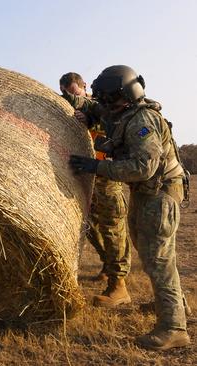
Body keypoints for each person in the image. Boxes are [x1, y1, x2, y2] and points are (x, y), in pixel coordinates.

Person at [68, 65, 190, 350]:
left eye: (106, 97)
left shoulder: (141, 121)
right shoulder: (123, 112)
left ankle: (173, 328)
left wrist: (97, 166)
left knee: (158, 260)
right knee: (150, 252)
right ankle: (178, 305)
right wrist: (85, 112)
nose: (102, 102)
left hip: (158, 193)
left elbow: (143, 167)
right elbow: (96, 110)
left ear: (121, 95)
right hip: (147, 194)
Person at [59, 72, 131, 307]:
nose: (72, 97)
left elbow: (114, 128)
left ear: (84, 87)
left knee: (112, 228)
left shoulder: (103, 106)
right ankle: (107, 265)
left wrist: (90, 119)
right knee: (89, 228)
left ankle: (118, 284)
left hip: (106, 175)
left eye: (75, 93)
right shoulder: (78, 111)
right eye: (67, 94)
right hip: (86, 175)